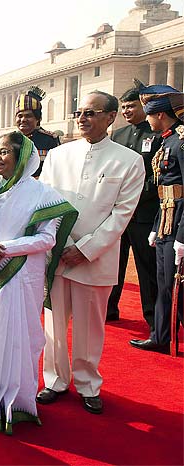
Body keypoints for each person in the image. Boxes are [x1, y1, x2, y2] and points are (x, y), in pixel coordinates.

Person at [0, 131, 77, 434]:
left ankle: (18, 405)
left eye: (3, 152)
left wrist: (4, 249)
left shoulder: (42, 194)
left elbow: (48, 238)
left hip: (24, 277)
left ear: (21, 157)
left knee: (20, 339)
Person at [37, 91, 144, 414]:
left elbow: (121, 215)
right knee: (54, 325)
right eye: (79, 113)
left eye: (91, 113)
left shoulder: (129, 161)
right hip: (57, 252)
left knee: (89, 326)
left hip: (95, 257)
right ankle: (55, 380)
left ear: (111, 117)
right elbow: (46, 202)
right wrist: (55, 242)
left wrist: (85, 249)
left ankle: (87, 383)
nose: (82, 119)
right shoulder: (59, 155)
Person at [130, 85, 184, 353]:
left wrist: (182, 237)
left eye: (149, 115)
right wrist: (155, 228)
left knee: (177, 286)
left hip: (178, 225)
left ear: (160, 114)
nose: (147, 120)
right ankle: (161, 336)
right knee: (164, 283)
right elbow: (165, 191)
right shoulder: (167, 139)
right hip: (164, 221)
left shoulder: (181, 141)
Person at [107, 82, 160, 327]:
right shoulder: (118, 136)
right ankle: (108, 309)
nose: (126, 111)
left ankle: (152, 318)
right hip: (117, 214)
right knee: (112, 264)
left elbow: (159, 174)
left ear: (145, 105)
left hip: (144, 212)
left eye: (132, 106)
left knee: (146, 268)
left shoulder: (157, 134)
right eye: (124, 107)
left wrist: (132, 195)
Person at [15, 86, 61, 177]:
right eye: (20, 116)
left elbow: (57, 169)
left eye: (28, 116)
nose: (23, 120)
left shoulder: (49, 140)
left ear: (38, 119)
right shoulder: (10, 139)